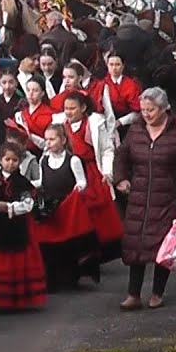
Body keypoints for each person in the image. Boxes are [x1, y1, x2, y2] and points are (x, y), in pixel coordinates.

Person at [113, 88, 176, 310]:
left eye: (150, 110)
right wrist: (121, 178)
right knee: (136, 243)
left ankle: (157, 292)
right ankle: (133, 294)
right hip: (139, 196)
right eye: (143, 110)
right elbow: (121, 155)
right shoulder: (136, 130)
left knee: (164, 245)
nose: (146, 114)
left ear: (163, 109)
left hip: (168, 197)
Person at [54, 90, 123, 279]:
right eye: (66, 108)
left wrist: (107, 172)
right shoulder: (60, 124)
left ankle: (95, 252)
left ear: (83, 108)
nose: (68, 112)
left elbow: (107, 149)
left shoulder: (94, 124)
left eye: (72, 108)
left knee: (94, 212)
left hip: (91, 171)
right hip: (68, 171)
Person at [0, 140, 47, 311]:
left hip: (17, 225)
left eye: (14, 160)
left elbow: (28, 204)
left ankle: (16, 298)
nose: (10, 163)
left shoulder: (23, 182)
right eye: (7, 159)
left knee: (17, 260)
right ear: (0, 160)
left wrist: (10, 207)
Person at [30, 124, 95, 290]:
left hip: (67, 208)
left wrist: (78, 189)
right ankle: (51, 279)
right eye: (46, 140)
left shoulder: (73, 160)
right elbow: (41, 181)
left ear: (63, 140)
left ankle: (70, 277)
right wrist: (28, 184)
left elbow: (82, 182)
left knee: (67, 244)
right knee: (49, 245)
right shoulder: (44, 160)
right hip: (49, 209)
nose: (48, 143)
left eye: (52, 139)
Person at [90, 52, 143, 139]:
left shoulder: (131, 85)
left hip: (126, 125)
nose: (114, 68)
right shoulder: (100, 84)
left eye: (117, 64)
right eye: (111, 64)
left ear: (123, 66)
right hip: (105, 123)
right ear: (107, 65)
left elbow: (137, 111)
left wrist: (120, 122)